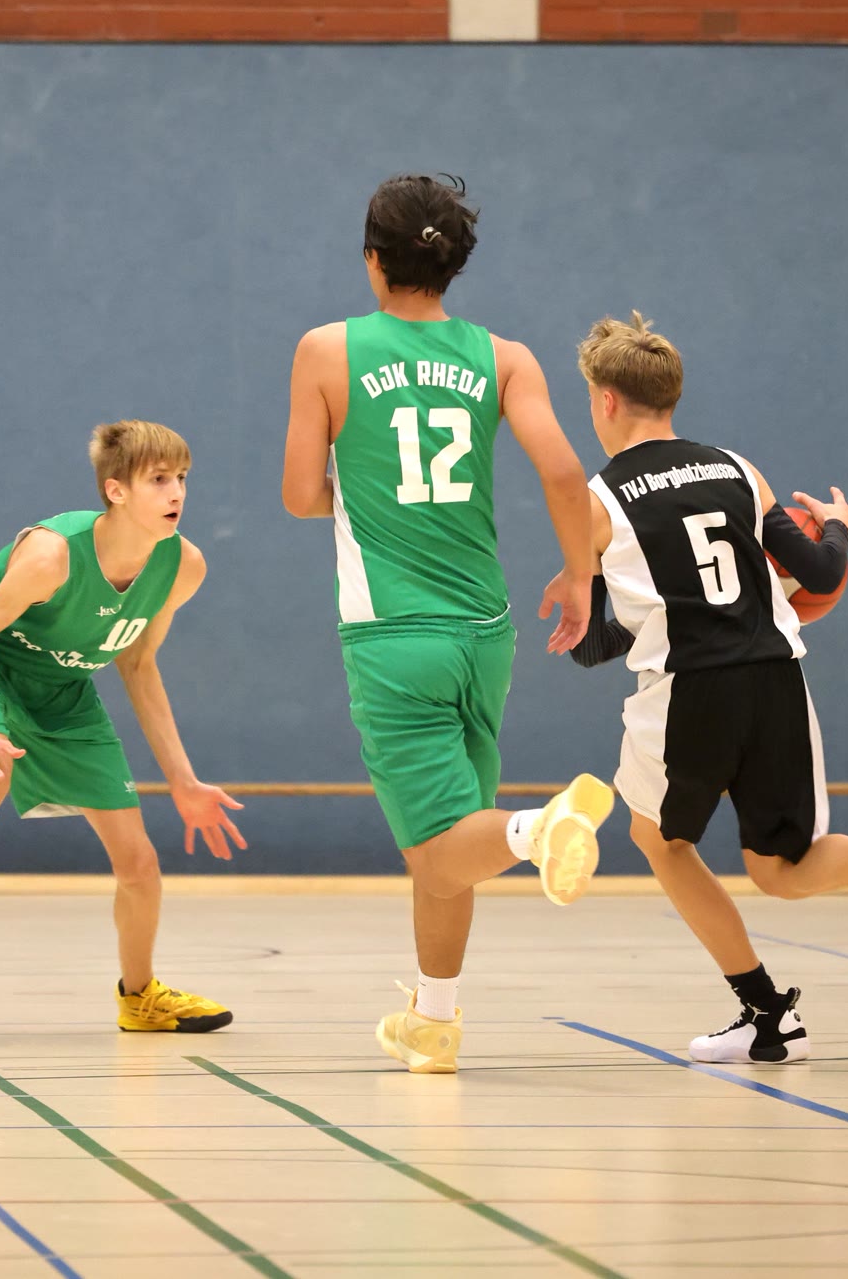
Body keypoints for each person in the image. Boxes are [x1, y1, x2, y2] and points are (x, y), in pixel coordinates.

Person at [570, 312, 848, 1064]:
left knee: (658, 841)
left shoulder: (596, 501)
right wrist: (836, 525)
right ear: (671, 395)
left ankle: (765, 1007)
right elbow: (821, 572)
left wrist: (590, 609)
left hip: (689, 693)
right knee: (781, 868)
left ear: (605, 401)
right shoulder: (738, 469)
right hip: (776, 677)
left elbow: (591, 645)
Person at [280, 173, 616, 1075]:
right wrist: (580, 577)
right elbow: (563, 471)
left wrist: (363, 490)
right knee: (451, 840)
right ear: (453, 262)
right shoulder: (505, 359)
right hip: (485, 630)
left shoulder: (326, 350)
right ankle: (434, 1019)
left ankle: (539, 830)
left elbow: (300, 495)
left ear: (372, 258)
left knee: (440, 845)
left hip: (393, 633)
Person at [0, 420, 245, 1044]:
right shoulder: (51, 555)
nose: (177, 493)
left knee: (138, 861)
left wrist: (183, 781)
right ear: (116, 490)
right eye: (159, 479)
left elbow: (138, 664)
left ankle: (140, 997)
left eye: (182, 478)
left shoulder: (182, 566)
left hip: (62, 684)